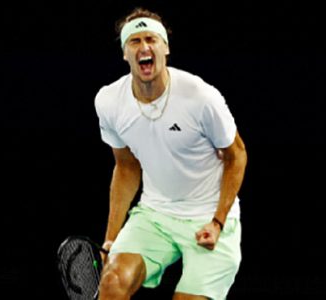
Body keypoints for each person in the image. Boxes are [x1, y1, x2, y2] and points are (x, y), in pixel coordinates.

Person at [94, 7, 247, 300]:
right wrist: (110, 239)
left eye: (151, 39)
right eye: (134, 41)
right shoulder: (109, 101)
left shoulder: (201, 97)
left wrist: (217, 222)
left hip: (208, 215)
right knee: (112, 282)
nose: (144, 47)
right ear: (125, 53)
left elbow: (236, 155)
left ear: (165, 48)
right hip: (155, 215)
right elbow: (126, 167)